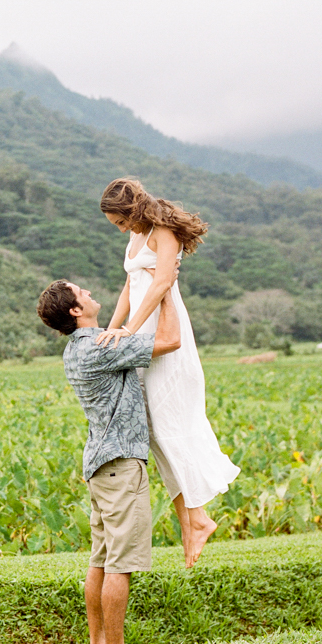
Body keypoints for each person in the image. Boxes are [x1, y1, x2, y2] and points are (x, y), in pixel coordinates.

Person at [37, 268, 181, 644]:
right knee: (121, 563)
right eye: (82, 291)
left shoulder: (80, 347)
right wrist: (165, 294)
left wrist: (142, 276)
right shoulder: (101, 348)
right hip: (120, 465)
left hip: (100, 467)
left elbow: (123, 309)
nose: (89, 290)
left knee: (100, 559)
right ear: (77, 309)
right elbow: (171, 341)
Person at [98, 176, 240, 568]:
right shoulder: (135, 237)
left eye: (121, 222)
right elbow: (131, 284)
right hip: (137, 332)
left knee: (170, 424)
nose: (121, 229)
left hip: (163, 330)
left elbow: (161, 283)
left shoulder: (163, 233)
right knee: (153, 430)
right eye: (116, 226)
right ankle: (191, 520)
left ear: (131, 211)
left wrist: (130, 329)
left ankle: (196, 518)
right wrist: (114, 326)